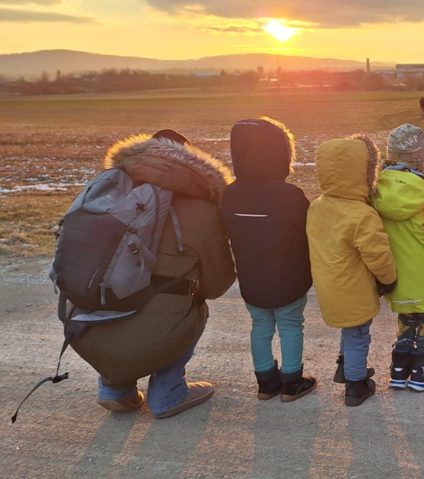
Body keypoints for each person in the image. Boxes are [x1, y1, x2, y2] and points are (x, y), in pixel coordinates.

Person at [73, 129, 235, 419]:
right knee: (195, 304)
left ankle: (115, 389)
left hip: (83, 327)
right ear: (189, 160)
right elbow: (217, 283)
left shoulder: (105, 193)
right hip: (153, 336)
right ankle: (167, 391)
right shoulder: (200, 208)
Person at [221, 117, 315, 402]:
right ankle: (291, 380)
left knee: (260, 326)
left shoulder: (231, 195)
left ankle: (265, 381)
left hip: (252, 278)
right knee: (289, 325)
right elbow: (308, 233)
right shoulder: (290, 196)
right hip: (289, 278)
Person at [307, 135, 397, 407]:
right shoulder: (361, 214)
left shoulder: (317, 207)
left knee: (349, 331)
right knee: (358, 334)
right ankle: (356, 385)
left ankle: (346, 367)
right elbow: (377, 254)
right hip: (354, 289)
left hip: (328, 285)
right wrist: (388, 280)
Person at [373, 123, 424, 391]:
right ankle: (422, 371)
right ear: (422, 158)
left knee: (406, 322)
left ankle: (398, 368)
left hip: (394, 277)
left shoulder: (376, 193)